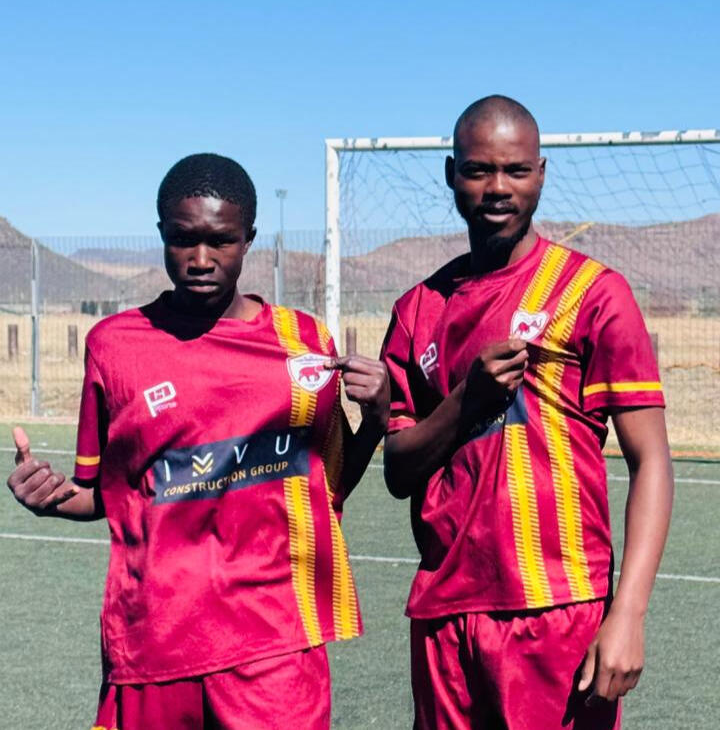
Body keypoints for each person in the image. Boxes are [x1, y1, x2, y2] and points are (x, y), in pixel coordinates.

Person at [7, 153, 389, 730]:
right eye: (184, 240)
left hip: (274, 645)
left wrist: (377, 419)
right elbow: (107, 496)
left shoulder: (304, 341)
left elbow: (326, 485)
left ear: (248, 238)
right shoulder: (114, 346)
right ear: (162, 233)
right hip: (153, 639)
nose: (202, 259)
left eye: (222, 241)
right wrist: (51, 497)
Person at [381, 96, 673, 729]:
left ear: (541, 174)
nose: (497, 188)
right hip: (442, 612)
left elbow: (651, 460)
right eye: (478, 170)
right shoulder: (416, 310)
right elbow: (399, 470)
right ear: (451, 174)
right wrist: (467, 401)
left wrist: (629, 613)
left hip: (556, 610)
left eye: (515, 170)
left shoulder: (592, 293)